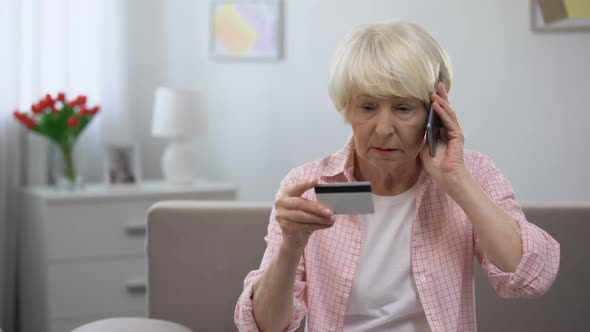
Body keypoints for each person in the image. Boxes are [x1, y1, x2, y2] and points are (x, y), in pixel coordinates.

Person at [234, 21, 560, 332]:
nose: (384, 129)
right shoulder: (310, 185)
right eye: (367, 107)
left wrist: (456, 181)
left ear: (435, 112)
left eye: (404, 108)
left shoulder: (472, 175)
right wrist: (291, 246)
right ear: (346, 109)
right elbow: (264, 327)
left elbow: (530, 278)